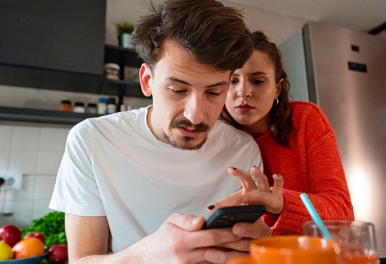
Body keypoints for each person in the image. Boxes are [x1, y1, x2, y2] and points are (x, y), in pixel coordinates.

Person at [49, 1, 273, 263]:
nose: (196, 115)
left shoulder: (243, 150)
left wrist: (257, 248)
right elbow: (81, 261)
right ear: (147, 81)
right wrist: (146, 254)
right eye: (178, 90)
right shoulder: (92, 139)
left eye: (214, 92)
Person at [214, 31, 354, 235]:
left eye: (258, 81)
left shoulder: (306, 120)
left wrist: (280, 202)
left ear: (278, 89)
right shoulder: (215, 138)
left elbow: (342, 213)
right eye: (233, 81)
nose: (243, 92)